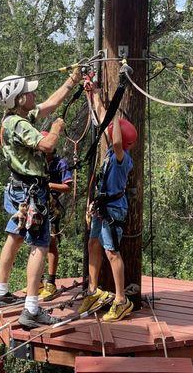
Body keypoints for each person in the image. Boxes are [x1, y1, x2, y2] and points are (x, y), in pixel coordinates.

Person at [0, 68, 82, 329]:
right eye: (28, 92)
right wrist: (55, 129)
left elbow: (51, 103)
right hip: (32, 191)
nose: (33, 93)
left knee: (15, 236)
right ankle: (31, 308)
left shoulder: (14, 119)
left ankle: (0, 291)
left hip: (19, 190)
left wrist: (72, 80)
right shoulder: (19, 124)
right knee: (40, 244)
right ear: (19, 100)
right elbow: (47, 145)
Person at [77, 87, 138, 322]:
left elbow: (116, 138)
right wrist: (92, 94)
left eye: (115, 135)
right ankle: (93, 291)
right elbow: (104, 118)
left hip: (113, 209)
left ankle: (121, 300)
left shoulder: (123, 159)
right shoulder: (111, 155)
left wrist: (115, 114)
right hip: (102, 207)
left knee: (112, 252)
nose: (112, 137)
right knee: (93, 244)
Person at [41, 132, 73, 298]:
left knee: (51, 243)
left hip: (52, 207)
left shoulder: (60, 163)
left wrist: (48, 185)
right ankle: (38, 282)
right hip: (37, 206)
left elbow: (68, 186)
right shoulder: (37, 162)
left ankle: (51, 283)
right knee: (36, 243)